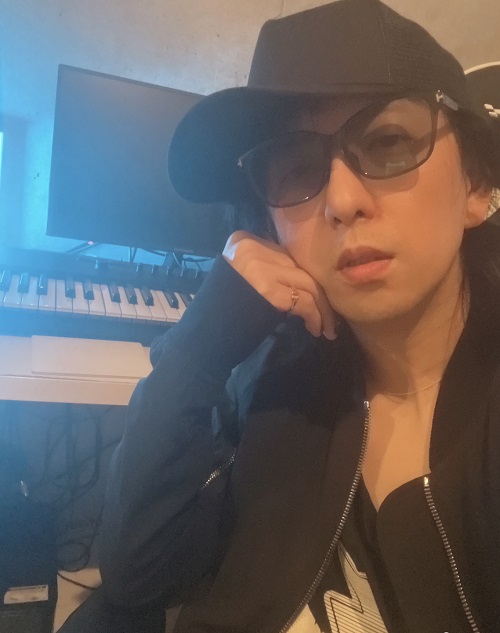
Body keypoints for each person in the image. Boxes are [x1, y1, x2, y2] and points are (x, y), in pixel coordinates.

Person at [59, 0, 500, 632]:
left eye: (388, 143)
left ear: (478, 186)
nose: (342, 200)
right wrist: (199, 351)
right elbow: (138, 575)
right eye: (298, 169)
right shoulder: (278, 380)